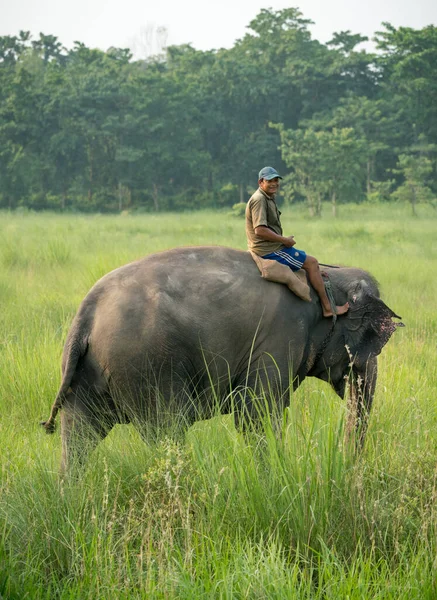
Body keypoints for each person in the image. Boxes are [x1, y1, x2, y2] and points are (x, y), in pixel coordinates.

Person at [246, 166, 349, 318]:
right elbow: (260, 230)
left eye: (276, 180)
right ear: (260, 182)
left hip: (272, 245)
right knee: (312, 263)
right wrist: (284, 240)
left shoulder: (267, 196)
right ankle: (328, 307)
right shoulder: (259, 199)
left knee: (305, 259)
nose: (274, 184)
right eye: (270, 181)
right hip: (268, 249)